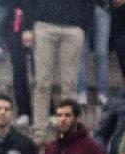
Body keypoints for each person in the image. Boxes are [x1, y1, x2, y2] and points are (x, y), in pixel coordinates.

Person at [22, 0, 91, 138]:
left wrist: (84, 25)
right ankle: (39, 132)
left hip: (73, 27)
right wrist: (28, 27)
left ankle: (70, 132)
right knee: (42, 83)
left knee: (69, 84)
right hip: (44, 25)